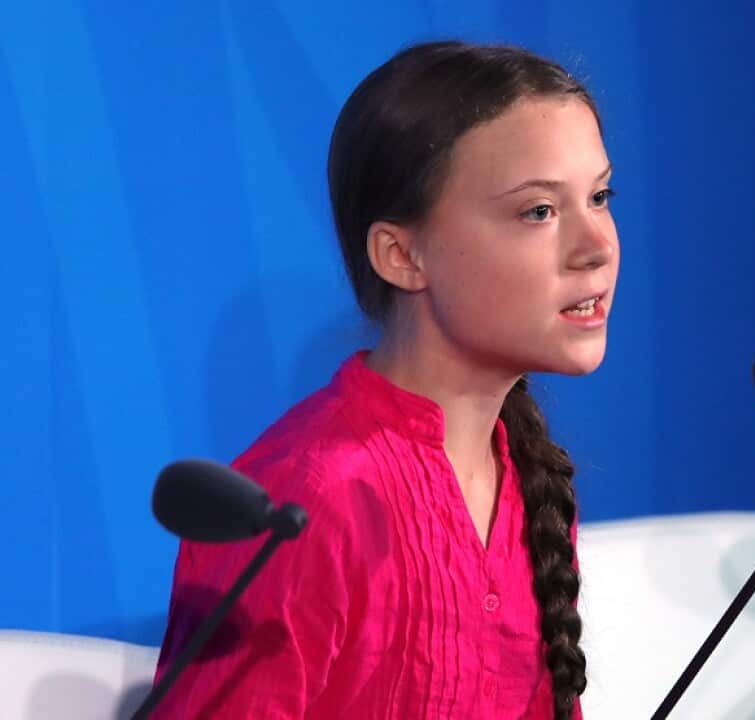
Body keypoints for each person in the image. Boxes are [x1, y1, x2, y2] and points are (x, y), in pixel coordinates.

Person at [150, 40, 618, 719]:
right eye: (539, 211)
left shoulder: (528, 479)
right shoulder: (306, 499)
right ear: (401, 255)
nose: (597, 244)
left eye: (600, 196)